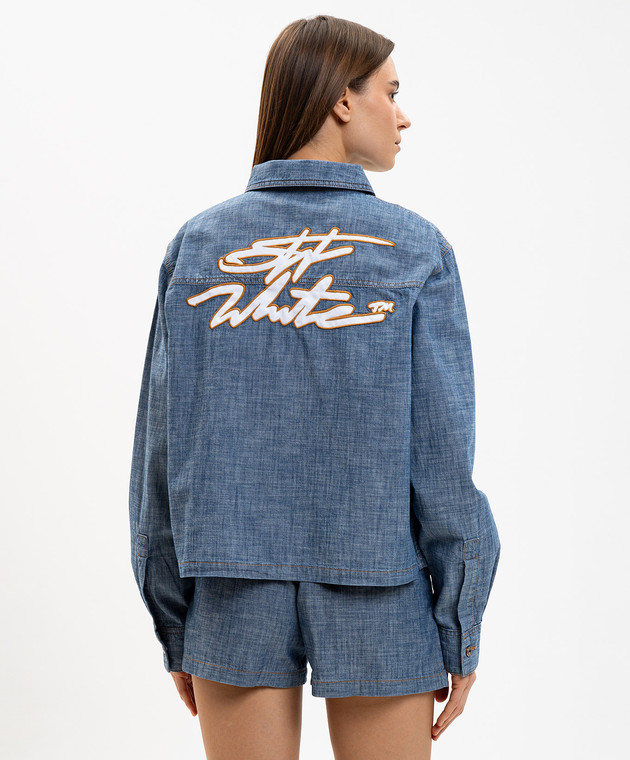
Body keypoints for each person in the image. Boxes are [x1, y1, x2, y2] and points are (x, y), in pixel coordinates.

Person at [128, 14, 501, 760]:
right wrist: (460, 622)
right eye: (391, 92)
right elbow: (441, 460)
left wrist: (174, 619)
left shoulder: (198, 246)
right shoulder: (415, 249)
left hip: (230, 586)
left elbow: (159, 459)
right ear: (341, 100)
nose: (402, 115)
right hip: (381, 585)